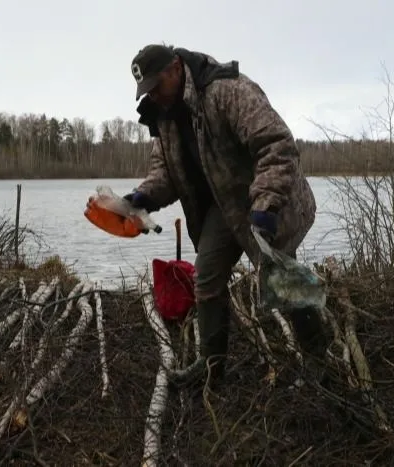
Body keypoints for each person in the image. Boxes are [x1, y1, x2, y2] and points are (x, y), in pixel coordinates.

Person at [124, 43, 317, 388]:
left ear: (175, 68)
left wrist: (267, 203)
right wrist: (143, 197)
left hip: (265, 197)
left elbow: (277, 145)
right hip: (222, 204)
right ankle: (211, 370)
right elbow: (165, 173)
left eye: (156, 86)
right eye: (146, 91)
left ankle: (321, 363)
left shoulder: (227, 90)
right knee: (206, 277)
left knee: (283, 278)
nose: (152, 96)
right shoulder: (163, 114)